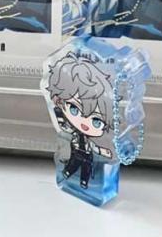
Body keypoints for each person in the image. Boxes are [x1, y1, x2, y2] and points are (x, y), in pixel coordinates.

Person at [46, 52, 114, 189]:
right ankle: (67, 174)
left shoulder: (88, 141)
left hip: (88, 156)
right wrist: (58, 110)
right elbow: (63, 127)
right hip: (76, 153)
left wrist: (104, 152)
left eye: (96, 121)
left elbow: (94, 147)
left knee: (86, 169)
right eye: (74, 109)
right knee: (73, 165)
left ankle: (83, 182)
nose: (84, 122)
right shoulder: (71, 130)